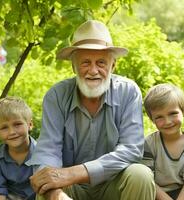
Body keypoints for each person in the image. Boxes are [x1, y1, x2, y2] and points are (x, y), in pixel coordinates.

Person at [27, 20, 156, 200]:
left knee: (140, 175)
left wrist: (74, 173)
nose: (93, 70)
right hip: (71, 189)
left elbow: (131, 150)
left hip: (113, 185)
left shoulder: (128, 91)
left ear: (113, 65)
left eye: (101, 62)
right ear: (73, 66)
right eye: (85, 62)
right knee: (46, 187)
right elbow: (47, 151)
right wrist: (56, 194)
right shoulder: (56, 96)